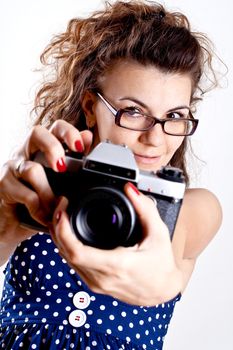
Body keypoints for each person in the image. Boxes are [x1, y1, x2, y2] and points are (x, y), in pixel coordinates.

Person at [0, 1, 222, 349]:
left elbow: (163, 275)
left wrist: (160, 285)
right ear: (91, 107)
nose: (155, 138)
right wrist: (5, 218)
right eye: (133, 111)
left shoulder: (193, 208)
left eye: (175, 115)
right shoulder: (49, 182)